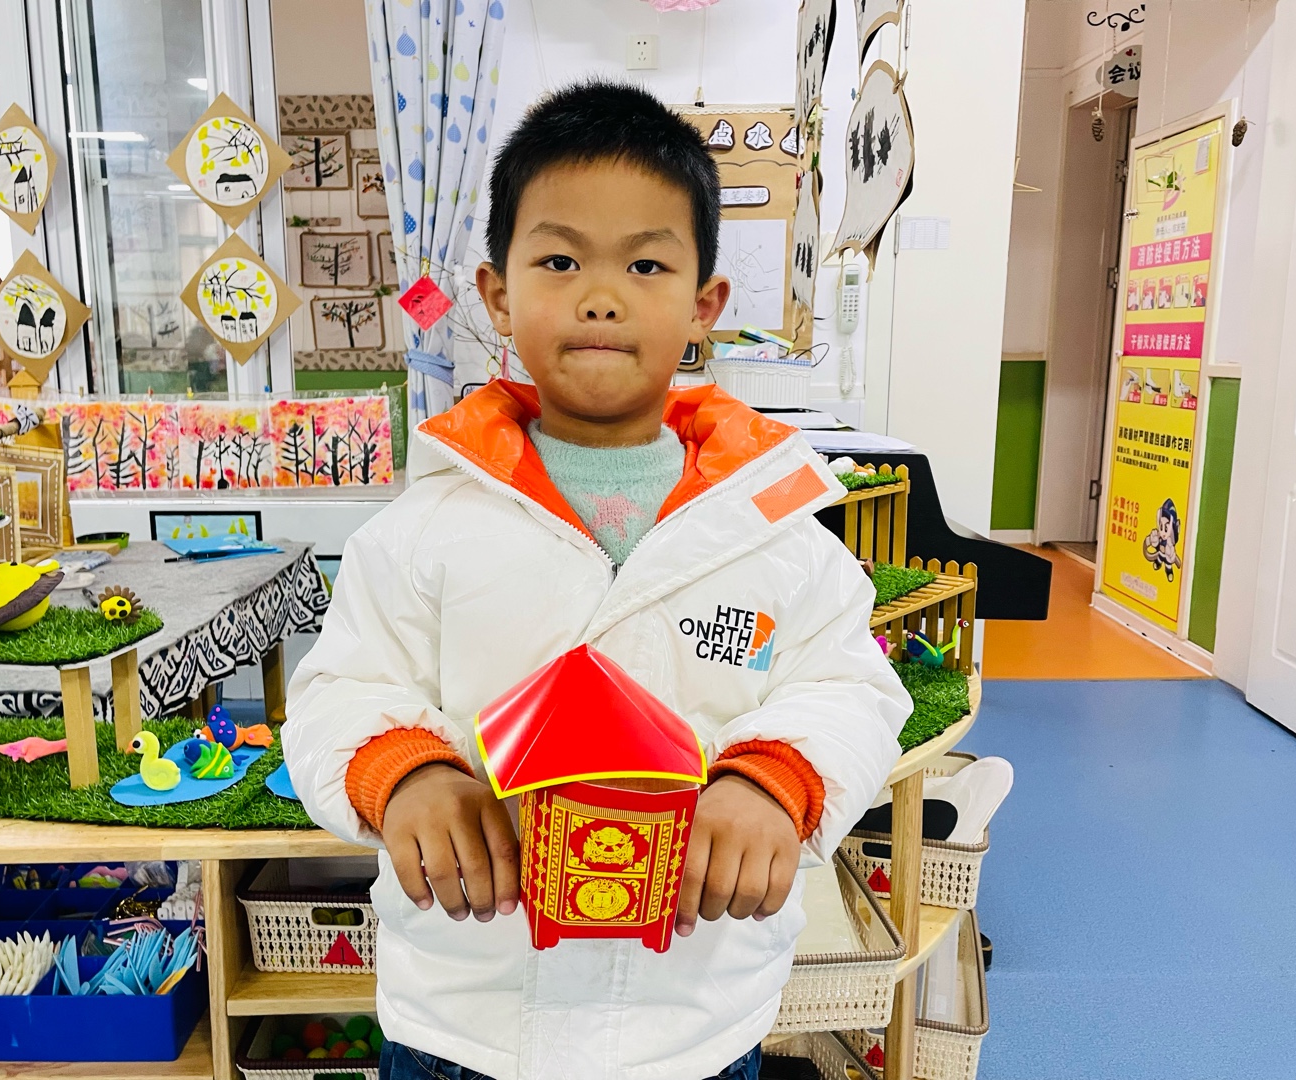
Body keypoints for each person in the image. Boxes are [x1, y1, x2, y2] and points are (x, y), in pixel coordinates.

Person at [285, 80, 912, 1080]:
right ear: (498, 294)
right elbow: (340, 691)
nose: (602, 295)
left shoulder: (775, 530)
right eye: (560, 260)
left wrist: (775, 778)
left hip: (690, 1023)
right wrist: (406, 773)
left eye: (647, 263)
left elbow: (848, 688)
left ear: (705, 303)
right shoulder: (426, 527)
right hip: (468, 1020)